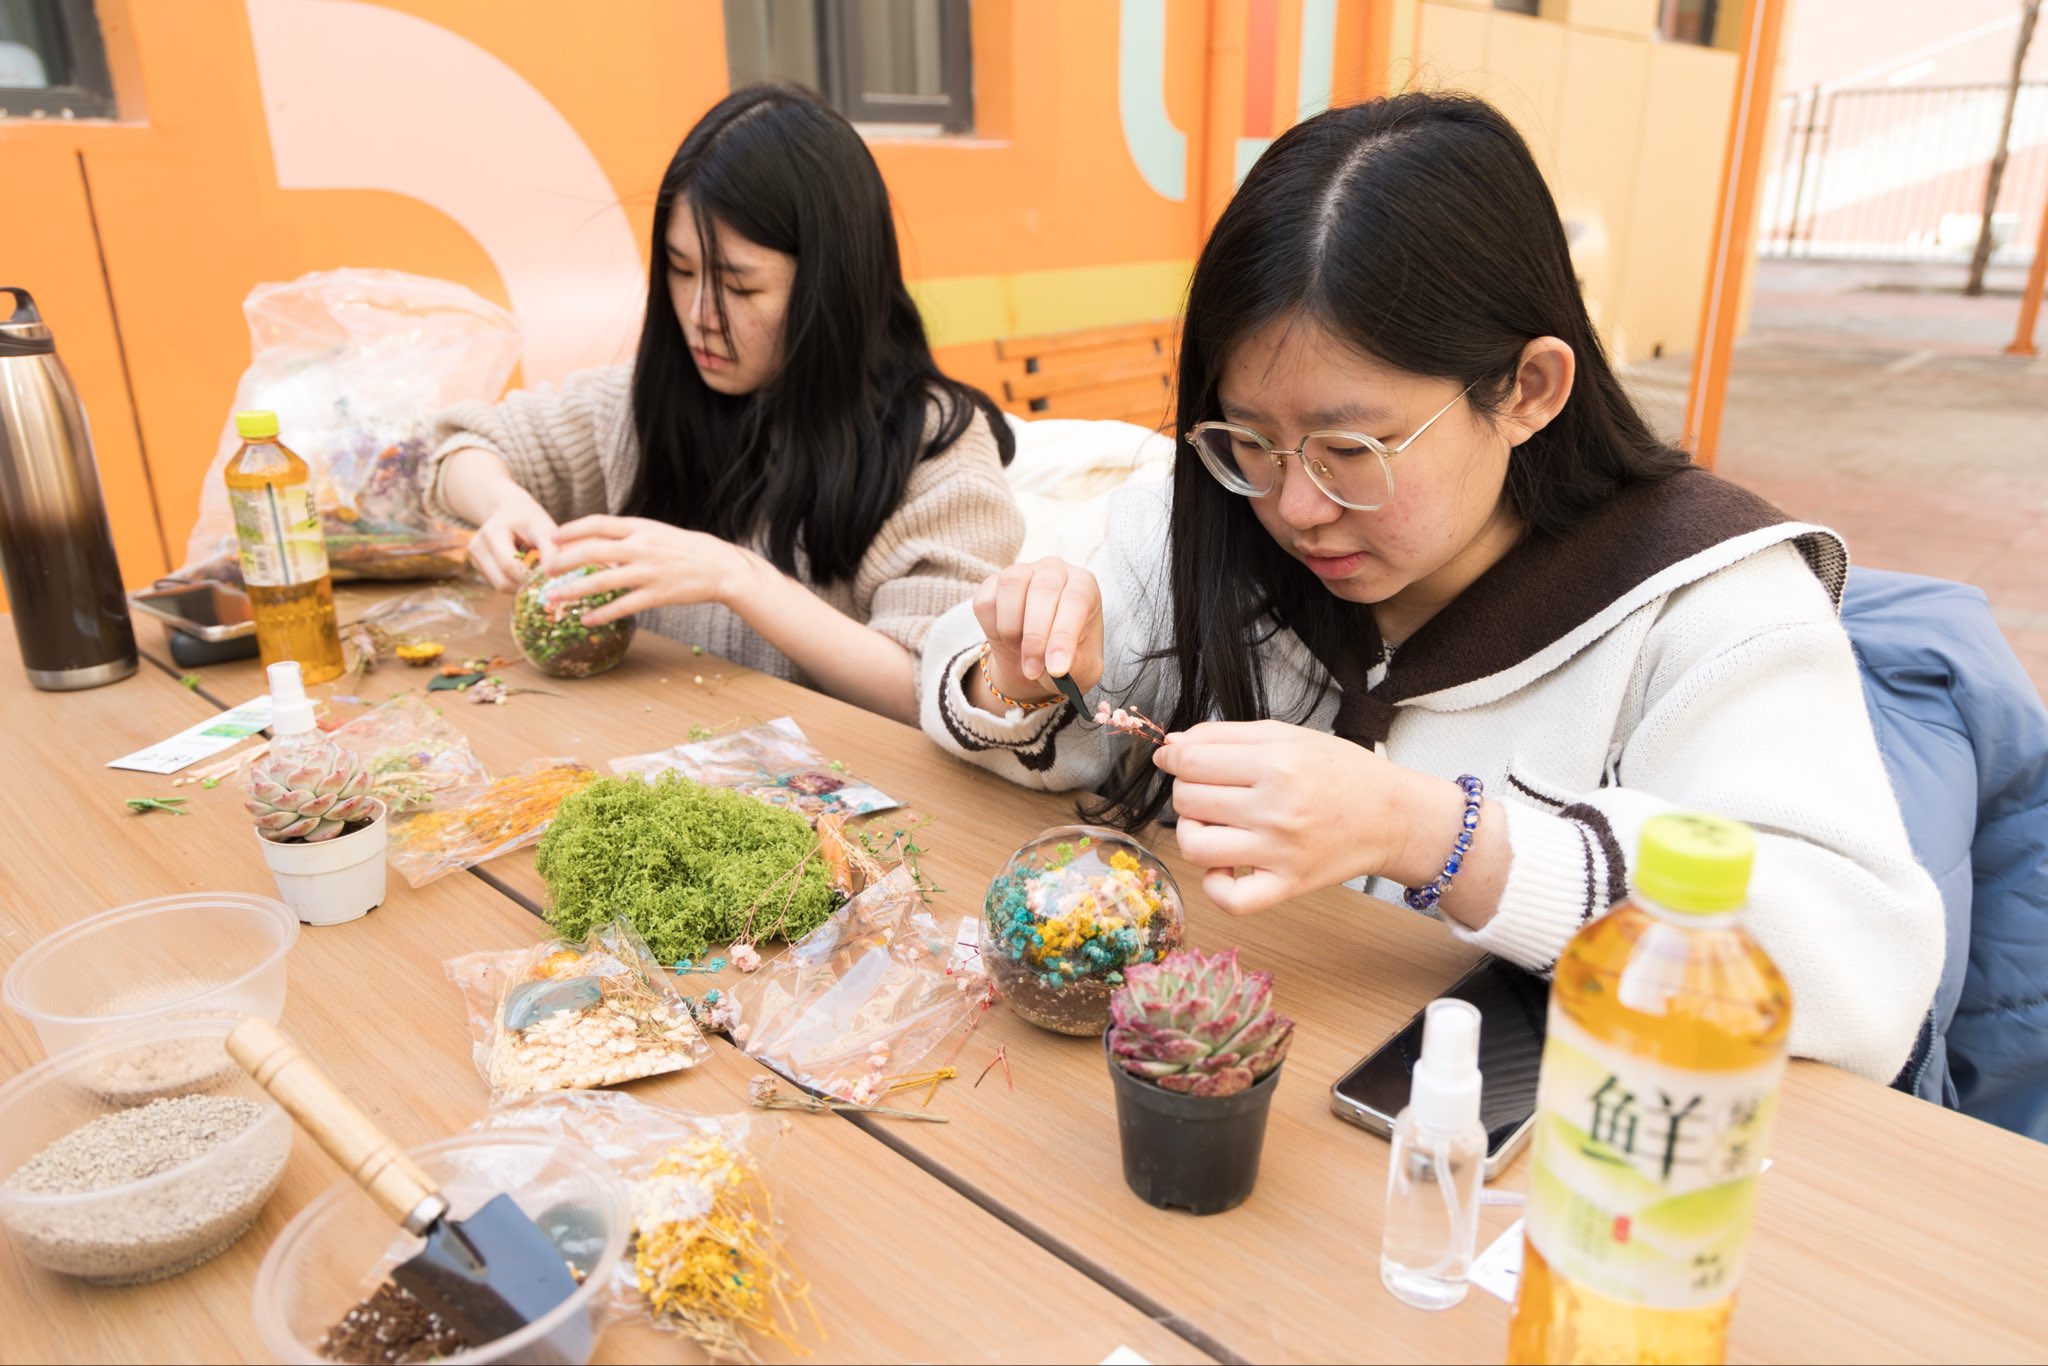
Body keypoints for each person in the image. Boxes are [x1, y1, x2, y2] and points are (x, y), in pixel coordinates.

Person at [919, 93, 1943, 1084]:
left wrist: (1434, 837)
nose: (1295, 506)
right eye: (1252, 439)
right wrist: (1012, 679)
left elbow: (1863, 973)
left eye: (1350, 449)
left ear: (1529, 389)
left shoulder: (1709, 602)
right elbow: (966, 692)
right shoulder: (1208, 518)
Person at [423, 84, 1023, 724]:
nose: (699, 315)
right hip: (648, 754)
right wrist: (500, 503)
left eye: (740, 285)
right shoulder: (642, 405)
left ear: (831, 287)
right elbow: (462, 446)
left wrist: (735, 576)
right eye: (681, 271)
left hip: (832, 783)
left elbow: (934, 692)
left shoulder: (933, 451)